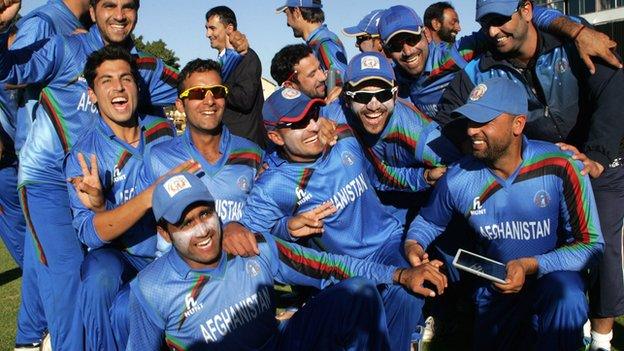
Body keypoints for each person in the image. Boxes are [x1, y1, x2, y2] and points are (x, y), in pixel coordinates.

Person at [436, 2, 624, 348]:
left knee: (602, 245)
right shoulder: (481, 64)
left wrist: (597, 156)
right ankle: (554, 317)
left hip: (595, 159)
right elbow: (449, 117)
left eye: (500, 20)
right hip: (540, 170)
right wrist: (491, 151)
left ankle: (601, 338)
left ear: (525, 10)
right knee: (541, 250)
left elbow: (613, 88)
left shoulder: (571, 36)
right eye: (486, 23)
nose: (493, 31)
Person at [0, 0, 178, 348]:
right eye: (109, 5)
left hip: (105, 186)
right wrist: (2, 26)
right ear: (93, 12)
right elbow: (10, 71)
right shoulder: (68, 46)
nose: (120, 15)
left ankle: (28, 339)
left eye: (128, 6)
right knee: (66, 276)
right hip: (50, 180)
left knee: (94, 277)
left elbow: (196, 91)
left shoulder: (141, 68)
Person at [126, 171, 447, 350]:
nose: (203, 230)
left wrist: (400, 275)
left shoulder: (254, 246)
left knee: (359, 294)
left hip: (280, 345)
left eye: (205, 214)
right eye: (185, 223)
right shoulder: (151, 289)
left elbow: (333, 268)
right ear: (165, 233)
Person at [228, 87, 438, 350]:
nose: (313, 126)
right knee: (378, 298)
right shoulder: (272, 185)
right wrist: (286, 229)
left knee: (408, 293)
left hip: (387, 243)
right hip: (344, 267)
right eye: (298, 124)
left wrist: (424, 178)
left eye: (314, 115)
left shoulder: (343, 137)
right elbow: (252, 242)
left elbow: (378, 176)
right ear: (275, 137)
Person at [407, 77, 604, 350]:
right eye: (469, 121)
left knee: (567, 294)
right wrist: (413, 243)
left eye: (483, 121)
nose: (472, 131)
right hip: (494, 291)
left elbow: (592, 245)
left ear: (517, 124)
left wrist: (529, 265)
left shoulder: (561, 165)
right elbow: (428, 221)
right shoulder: (458, 178)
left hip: (550, 283)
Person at [63, 45, 177, 351]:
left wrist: (105, 207)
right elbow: (91, 233)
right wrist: (105, 207)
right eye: (107, 81)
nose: (119, 87)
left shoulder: (164, 130)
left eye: (126, 78)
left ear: (137, 85)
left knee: (130, 309)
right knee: (99, 276)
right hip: (122, 254)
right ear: (92, 94)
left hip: (174, 251)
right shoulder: (83, 156)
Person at [8, 2, 91, 348]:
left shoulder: (79, 25)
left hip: (72, 168)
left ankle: (29, 338)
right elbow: (10, 76)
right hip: (47, 170)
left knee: (37, 256)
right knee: (65, 268)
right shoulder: (43, 22)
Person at [377, 4, 620, 119]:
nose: (407, 51)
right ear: (387, 51)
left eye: (411, 39)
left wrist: (577, 31)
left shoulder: (456, 53)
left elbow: (527, 18)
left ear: (426, 35)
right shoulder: (391, 80)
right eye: (396, 46)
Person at [143, 58, 263, 254]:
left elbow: (270, 216)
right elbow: (145, 225)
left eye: (217, 92)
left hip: (241, 272)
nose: (210, 101)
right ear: (180, 105)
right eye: (198, 93)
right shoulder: (158, 157)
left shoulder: (253, 154)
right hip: (186, 278)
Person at [205, 6, 266, 147]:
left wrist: (215, 86)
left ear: (229, 28)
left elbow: (244, 99)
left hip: (244, 145)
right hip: (225, 143)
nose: (208, 34)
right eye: (207, 28)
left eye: (212, 28)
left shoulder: (247, 58)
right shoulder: (221, 62)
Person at [276, 0, 348, 83]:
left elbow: (339, 84)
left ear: (296, 12)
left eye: (287, 14)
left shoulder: (324, 42)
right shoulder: (319, 41)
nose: (287, 23)